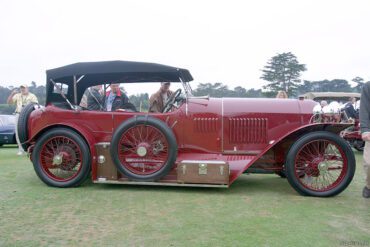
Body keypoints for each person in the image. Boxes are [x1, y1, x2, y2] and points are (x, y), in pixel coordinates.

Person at [7, 84, 38, 155]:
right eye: (21, 88)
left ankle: (31, 149)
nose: (22, 89)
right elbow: (9, 102)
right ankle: (21, 150)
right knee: (18, 133)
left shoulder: (32, 96)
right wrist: (12, 94)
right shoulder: (17, 95)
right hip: (18, 114)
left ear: (27, 88)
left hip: (29, 115)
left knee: (29, 132)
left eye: (24, 88)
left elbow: (36, 105)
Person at [359, 82, 370, 198]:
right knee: (369, 163)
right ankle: (369, 186)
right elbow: (364, 108)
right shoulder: (368, 87)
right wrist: (365, 129)